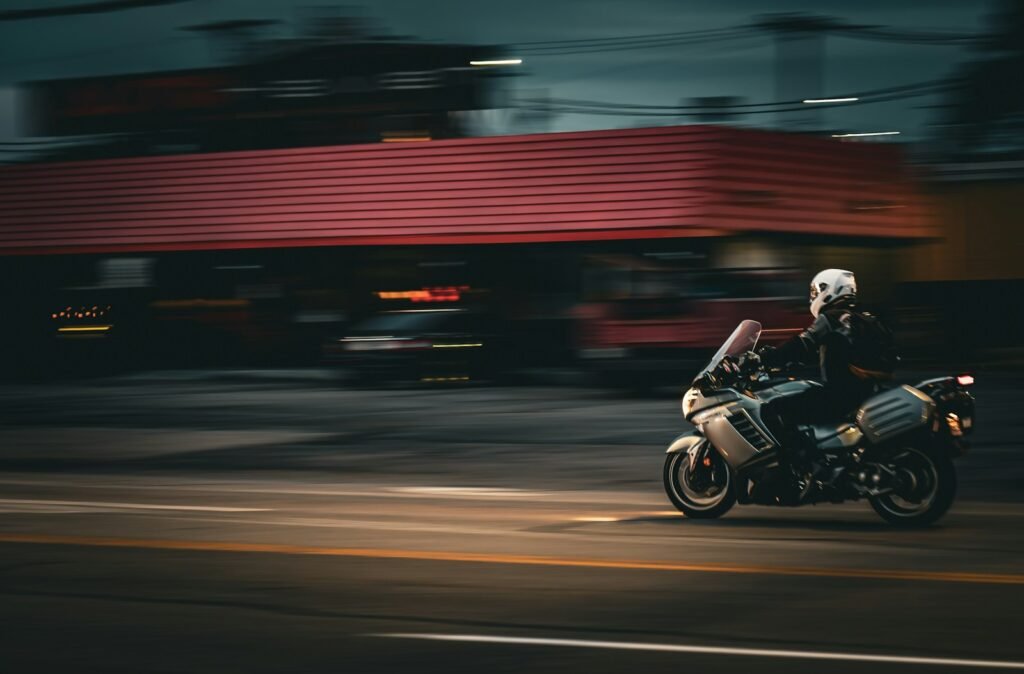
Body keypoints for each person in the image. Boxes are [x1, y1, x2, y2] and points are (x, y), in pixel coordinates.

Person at [755, 268, 896, 466]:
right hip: (867, 391)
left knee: (773, 410)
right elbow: (834, 351)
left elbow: (802, 343)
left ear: (829, 290)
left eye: (815, 292)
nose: (813, 297)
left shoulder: (832, 318)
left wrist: (766, 357)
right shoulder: (864, 317)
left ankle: (798, 467)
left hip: (839, 396)